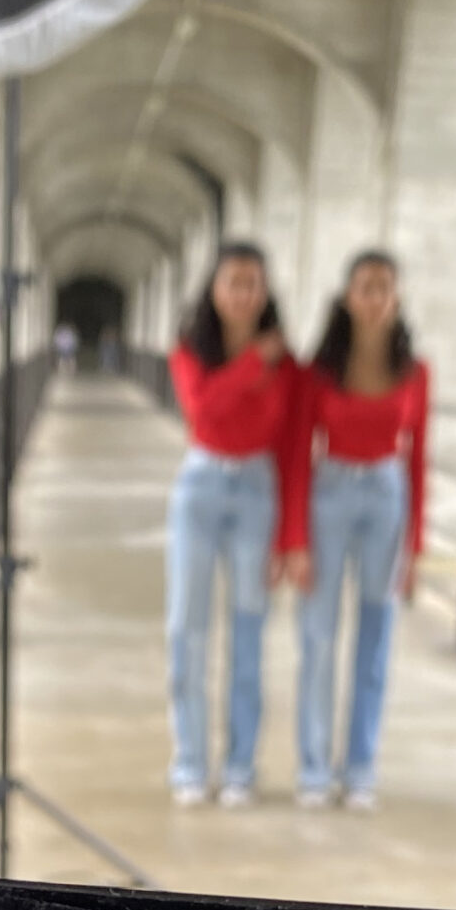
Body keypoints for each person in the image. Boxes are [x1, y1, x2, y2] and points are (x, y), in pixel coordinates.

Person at [286, 252, 429, 809]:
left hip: (387, 495)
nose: (375, 298)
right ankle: (315, 769)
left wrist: (414, 546)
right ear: (347, 298)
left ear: (396, 299)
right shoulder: (319, 369)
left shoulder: (415, 372)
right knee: (318, 637)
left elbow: (419, 458)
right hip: (331, 494)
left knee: (376, 639)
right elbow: (299, 453)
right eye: (365, 288)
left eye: (384, 289)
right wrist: (295, 539)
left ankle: (361, 767)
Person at [165, 244, 300, 806]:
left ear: (265, 292)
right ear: (213, 290)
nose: (244, 294)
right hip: (201, 485)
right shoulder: (189, 349)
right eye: (233, 283)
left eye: (253, 284)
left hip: (257, 491)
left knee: (248, 632)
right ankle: (191, 763)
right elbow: (203, 410)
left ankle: (240, 767)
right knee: (186, 629)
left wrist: (289, 538)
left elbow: (292, 448)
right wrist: (251, 364)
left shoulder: (286, 365)